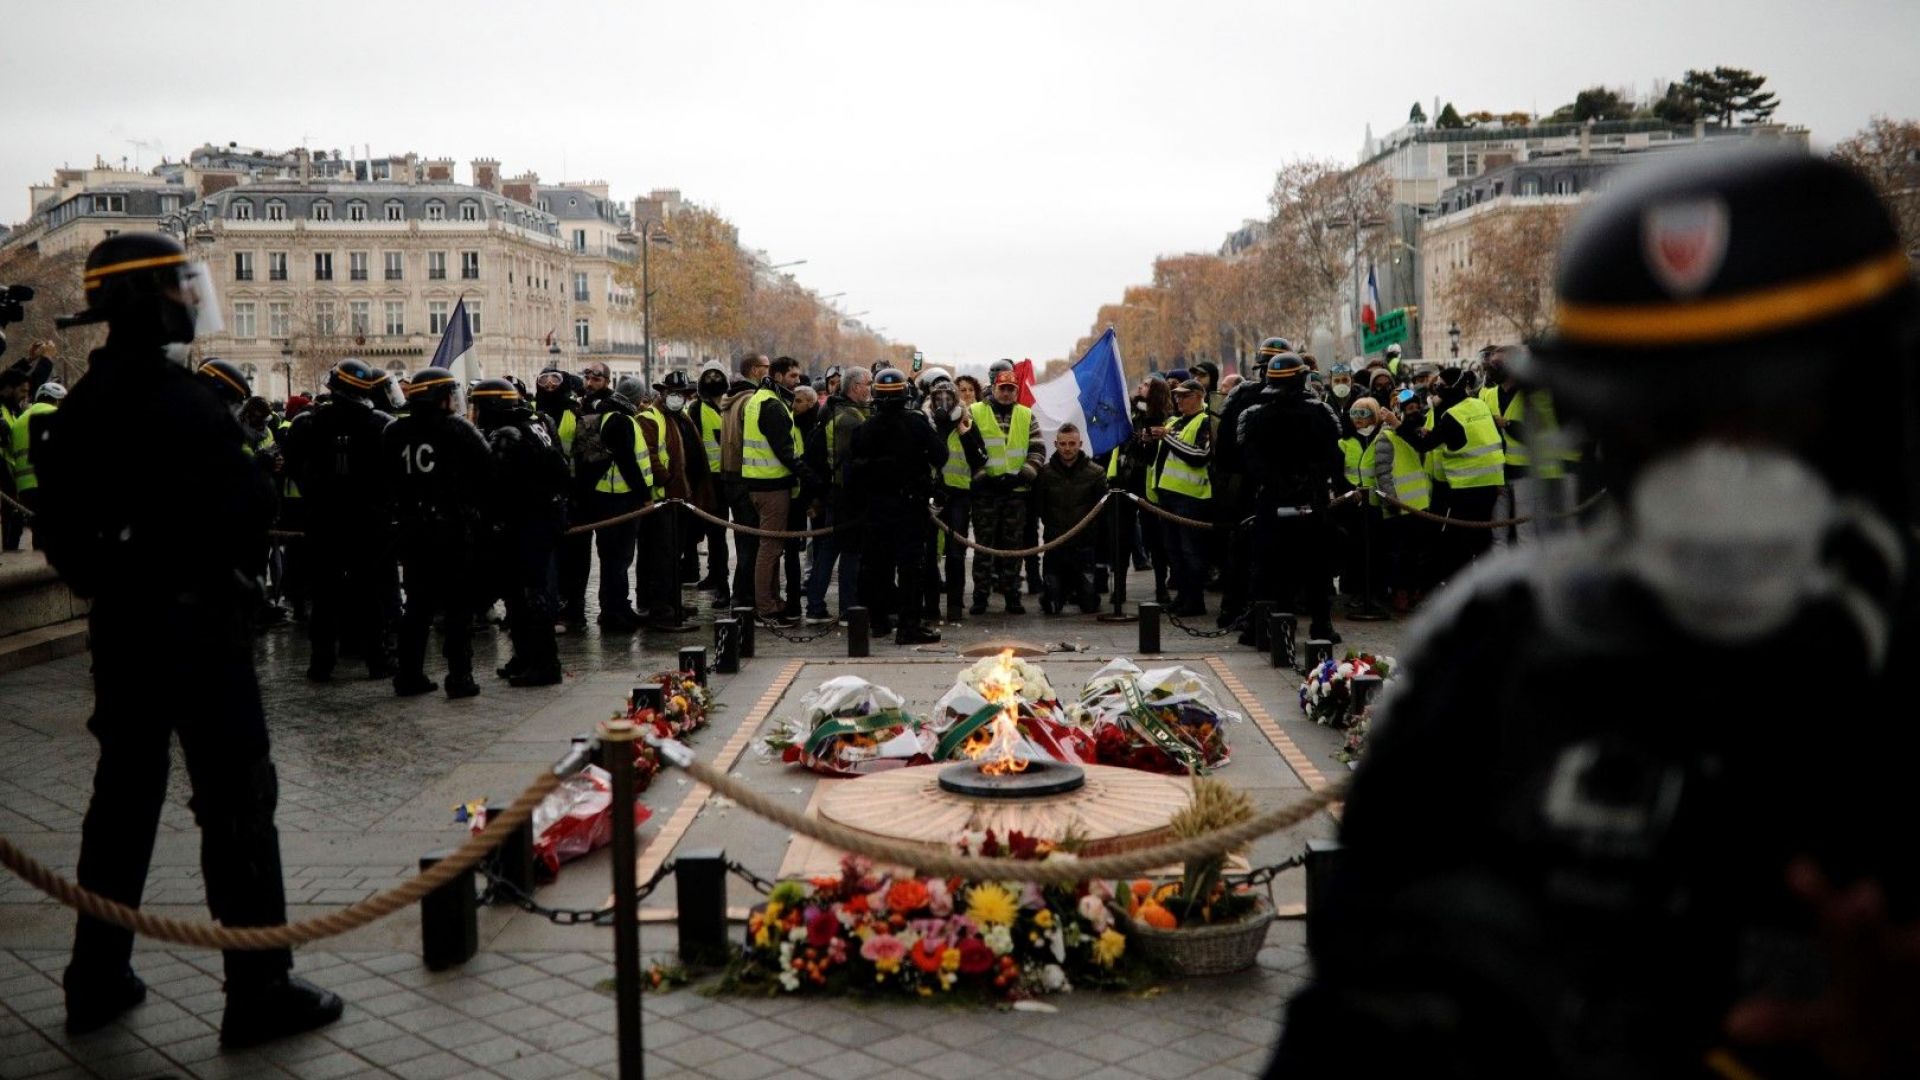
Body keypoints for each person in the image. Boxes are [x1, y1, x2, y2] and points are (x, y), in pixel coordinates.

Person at [1273, 148, 1920, 1079]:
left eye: (1769, 421)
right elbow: (1347, 1016)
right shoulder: (1494, 652)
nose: (1716, 479)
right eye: (1663, 428)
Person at [37, 231, 342, 1044]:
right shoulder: (183, 401)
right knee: (238, 804)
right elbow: (251, 505)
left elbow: (61, 535)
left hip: (124, 627)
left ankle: (95, 974)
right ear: (150, 302)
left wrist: (121, 576)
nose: (189, 301)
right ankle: (258, 987)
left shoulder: (83, 404)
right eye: (179, 288)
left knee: (122, 803)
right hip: (201, 627)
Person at [281, 359, 398, 681]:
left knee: (325, 594)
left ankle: (321, 663)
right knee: (369, 592)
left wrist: (315, 494)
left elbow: (292, 467)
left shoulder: (309, 423)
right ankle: (376, 659)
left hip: (324, 519)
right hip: (367, 520)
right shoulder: (380, 423)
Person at [384, 368, 491, 698]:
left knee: (417, 606)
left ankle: (409, 675)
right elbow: (487, 469)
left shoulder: (394, 430)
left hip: (412, 530)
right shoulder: (457, 428)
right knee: (458, 607)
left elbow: (383, 478)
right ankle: (459, 676)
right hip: (452, 530)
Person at [1234, 351, 1341, 645]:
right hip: (1312, 498)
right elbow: (1334, 458)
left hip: (1271, 499)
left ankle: (1269, 629)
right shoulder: (1321, 413)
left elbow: (1247, 463)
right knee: (1317, 567)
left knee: (1269, 567)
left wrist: (1277, 484)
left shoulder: (1253, 416)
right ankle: (1321, 625)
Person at [471, 378, 568, 686]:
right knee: (519, 594)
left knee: (527, 595)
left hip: (525, 521)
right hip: (542, 517)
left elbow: (496, 485)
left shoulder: (507, 434)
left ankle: (543, 663)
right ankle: (525, 656)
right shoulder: (534, 424)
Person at [848, 368, 946, 644]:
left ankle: (879, 622)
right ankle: (908, 626)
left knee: (878, 567)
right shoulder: (916, 423)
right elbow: (940, 455)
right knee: (910, 568)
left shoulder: (864, 429)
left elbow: (855, 468)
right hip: (910, 506)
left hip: (876, 507)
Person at [1394, 365, 1505, 584]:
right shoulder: (1478, 404)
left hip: (1467, 486)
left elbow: (1424, 445)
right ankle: (1489, 586)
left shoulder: (1452, 415)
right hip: (1492, 482)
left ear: (1453, 387)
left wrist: (1397, 425)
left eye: (1440, 386)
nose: (1437, 390)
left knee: (1460, 543)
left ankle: (1465, 590)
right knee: (1483, 540)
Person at [1214, 336, 1290, 627]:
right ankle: (1267, 611)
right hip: (1274, 487)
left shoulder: (1243, 397)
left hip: (1249, 484)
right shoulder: (1300, 400)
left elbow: (1224, 448)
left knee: (1244, 551)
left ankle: (1237, 610)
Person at [572, 363, 651, 632]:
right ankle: (613, 613)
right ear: (635, 398)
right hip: (618, 497)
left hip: (611, 495)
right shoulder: (620, 419)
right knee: (617, 558)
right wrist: (644, 496)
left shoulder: (611, 414)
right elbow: (628, 462)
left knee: (615, 558)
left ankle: (619, 607)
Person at [961, 369, 1044, 614]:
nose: (1006, 393)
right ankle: (980, 597)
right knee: (983, 547)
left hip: (1016, 491)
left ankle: (1012, 596)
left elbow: (1038, 450)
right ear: (994, 388)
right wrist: (983, 478)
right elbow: (967, 449)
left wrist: (1022, 475)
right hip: (986, 491)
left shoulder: (1026, 415)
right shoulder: (975, 411)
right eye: (1002, 388)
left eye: (1011, 389)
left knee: (1013, 548)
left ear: (1016, 391)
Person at [739, 355, 809, 627]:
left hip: (758, 483)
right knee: (770, 549)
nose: (797, 380)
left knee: (770, 548)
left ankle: (771, 601)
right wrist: (809, 476)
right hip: (772, 486)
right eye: (792, 376)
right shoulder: (772, 405)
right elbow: (785, 451)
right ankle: (766, 608)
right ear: (778, 376)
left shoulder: (759, 399)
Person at [805, 367, 870, 624]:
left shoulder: (837, 410)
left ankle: (815, 606)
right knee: (849, 553)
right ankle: (847, 609)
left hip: (837, 493)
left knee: (829, 550)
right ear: (855, 387)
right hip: (846, 495)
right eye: (868, 384)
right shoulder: (848, 418)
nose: (871, 388)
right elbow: (847, 463)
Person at [534, 367, 589, 631]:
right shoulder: (532, 413)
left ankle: (574, 610)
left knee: (575, 558)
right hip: (544, 493)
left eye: (555, 379)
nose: (549, 385)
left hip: (574, 493)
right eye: (543, 380)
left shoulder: (574, 412)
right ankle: (549, 608)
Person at [1154, 379, 1215, 616]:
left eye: (1185, 396)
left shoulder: (1205, 421)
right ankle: (1182, 596)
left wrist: (1167, 438)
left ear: (1199, 396)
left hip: (1191, 497)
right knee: (1174, 551)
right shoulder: (1175, 421)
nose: (1179, 400)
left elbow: (1199, 455)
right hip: (1168, 495)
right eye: (1177, 396)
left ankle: (1195, 600)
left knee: (1191, 551)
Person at [1033, 422, 1104, 615]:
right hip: (1055, 545)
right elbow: (1039, 507)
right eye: (1063, 444)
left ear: (1080, 444)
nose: (1067, 448)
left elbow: (1101, 512)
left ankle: (1079, 591)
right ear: (1056, 445)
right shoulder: (1044, 474)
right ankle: (1058, 591)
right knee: (1051, 606)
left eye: (1072, 444)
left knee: (1089, 605)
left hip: (1084, 547)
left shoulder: (1096, 473)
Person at [656, 370, 714, 595]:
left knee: (683, 543)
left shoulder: (684, 418)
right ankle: (664, 599)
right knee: (666, 550)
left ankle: (676, 592)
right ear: (663, 393)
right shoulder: (657, 417)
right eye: (673, 392)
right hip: (668, 495)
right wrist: (667, 480)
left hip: (687, 493)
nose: (677, 397)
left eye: (682, 393)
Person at [926, 374, 974, 622]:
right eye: (938, 398)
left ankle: (955, 606)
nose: (943, 403)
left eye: (948, 398)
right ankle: (931, 606)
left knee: (956, 554)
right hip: (932, 495)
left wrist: (966, 434)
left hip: (958, 496)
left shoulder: (966, 423)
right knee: (929, 553)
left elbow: (979, 458)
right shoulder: (925, 423)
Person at [5, 379, 62, 550]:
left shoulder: (18, 422)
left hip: (25, 489)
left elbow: (11, 454)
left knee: (39, 532)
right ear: (57, 400)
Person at [692, 362, 732, 601]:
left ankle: (722, 582)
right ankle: (716, 576)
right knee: (713, 532)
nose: (713, 379)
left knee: (721, 532)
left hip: (730, 477)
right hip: (708, 479)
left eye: (717, 375)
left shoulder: (733, 404)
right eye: (709, 375)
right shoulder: (697, 408)